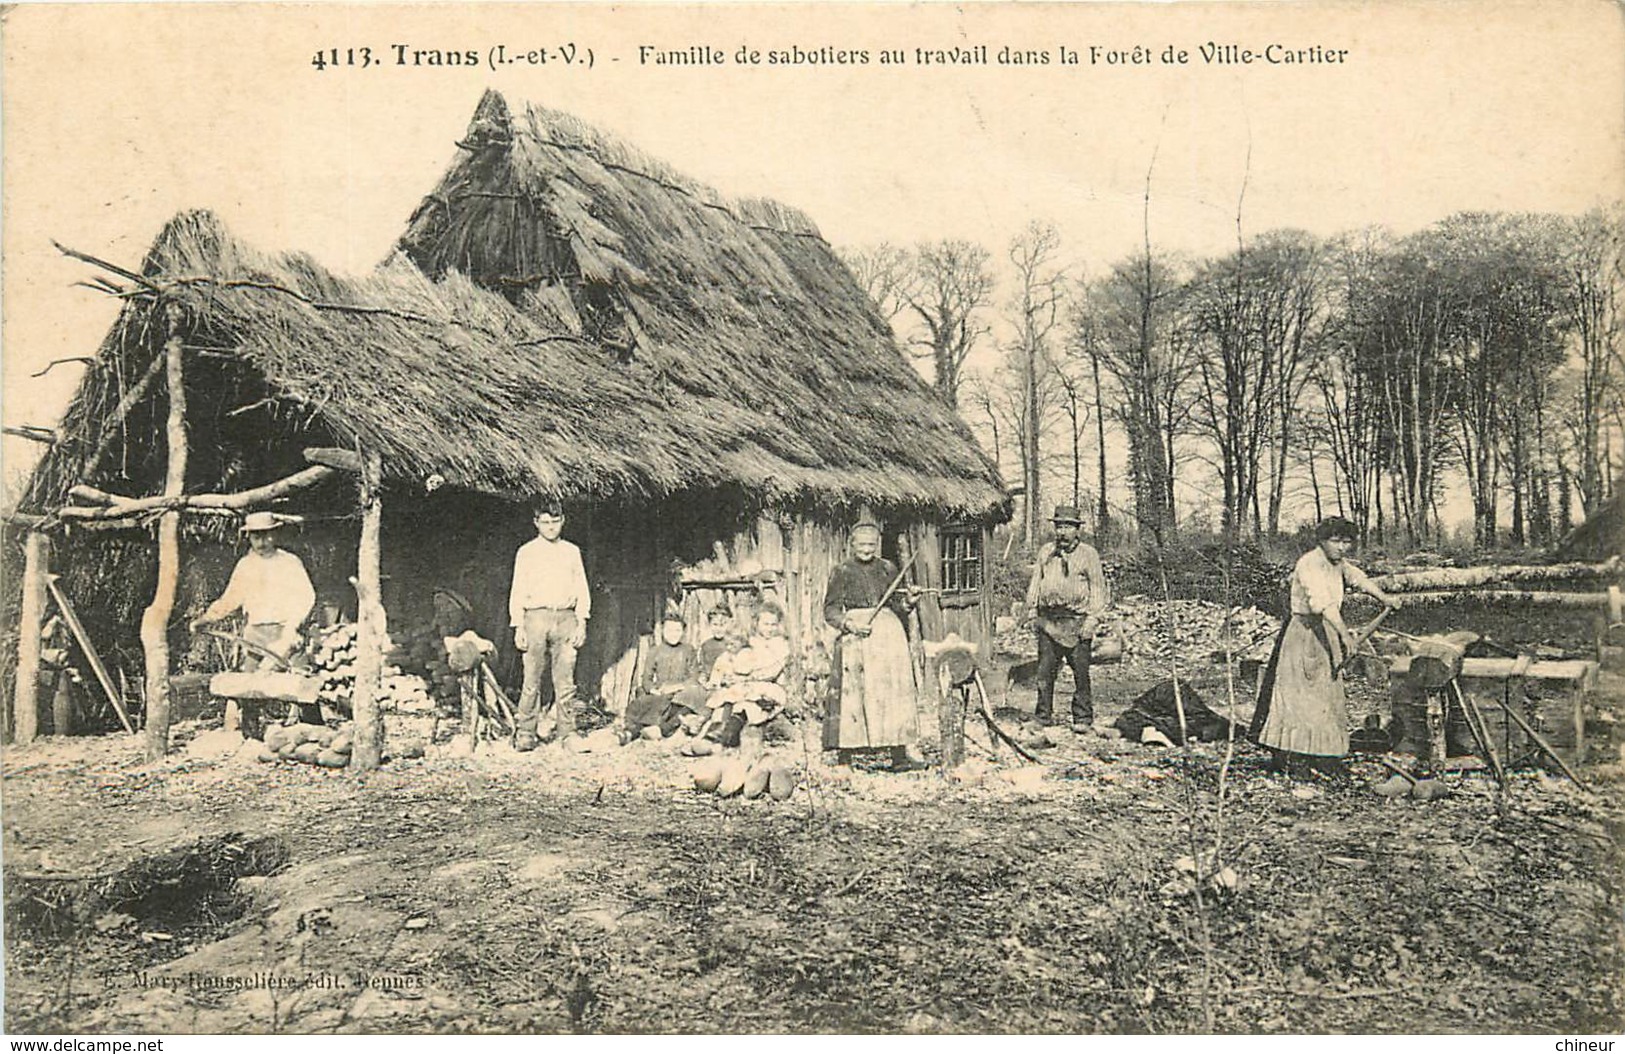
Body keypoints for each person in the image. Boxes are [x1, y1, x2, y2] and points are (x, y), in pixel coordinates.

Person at [1249, 516, 1400, 775]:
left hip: (1326, 633)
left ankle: (1325, 756)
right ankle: (1292, 759)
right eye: (1336, 541)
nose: (1341, 547)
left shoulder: (1338, 564)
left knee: (1328, 698)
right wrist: (1346, 636)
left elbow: (1358, 579)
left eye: (1347, 542)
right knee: (1298, 698)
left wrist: (1384, 597)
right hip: (1304, 634)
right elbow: (1324, 603)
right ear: (1322, 541)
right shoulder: (1310, 564)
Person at [822, 517, 924, 771]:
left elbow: (898, 606)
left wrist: (909, 601)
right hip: (857, 634)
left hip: (888, 635)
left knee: (892, 691)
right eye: (861, 545)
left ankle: (898, 753)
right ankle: (845, 755)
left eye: (871, 544)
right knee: (853, 692)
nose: (867, 549)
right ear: (852, 544)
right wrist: (849, 624)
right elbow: (830, 610)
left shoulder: (888, 569)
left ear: (878, 544)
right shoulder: (842, 571)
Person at [508, 499, 591, 751]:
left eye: (555, 522)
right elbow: (518, 589)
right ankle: (526, 732)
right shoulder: (527, 552)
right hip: (535, 617)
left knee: (565, 679)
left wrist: (582, 621)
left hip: (565, 617)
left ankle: (568, 733)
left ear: (563, 521)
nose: (551, 527)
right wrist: (518, 625)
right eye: (545, 522)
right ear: (536, 523)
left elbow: (581, 588)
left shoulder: (571, 551)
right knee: (531, 676)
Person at [190, 511, 316, 670]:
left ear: (275, 534)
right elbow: (230, 599)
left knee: (295, 682)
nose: (262, 542)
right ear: (248, 537)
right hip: (255, 636)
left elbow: (306, 597)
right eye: (256, 537)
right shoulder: (245, 565)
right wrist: (205, 619)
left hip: (285, 632)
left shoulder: (290, 562)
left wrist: (292, 629)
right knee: (250, 683)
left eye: (266, 536)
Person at [1023, 505, 1110, 733]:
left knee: (1080, 672)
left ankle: (1082, 718)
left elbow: (1098, 589)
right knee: (1044, 672)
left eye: (1068, 527)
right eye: (1059, 526)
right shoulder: (1046, 552)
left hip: (1077, 620)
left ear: (1077, 530)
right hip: (1048, 620)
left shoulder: (1088, 554)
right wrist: (1032, 610)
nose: (1062, 532)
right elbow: (1036, 582)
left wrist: (1093, 619)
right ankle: (1042, 717)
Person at [700, 603, 792, 747]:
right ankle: (714, 731)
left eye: (773, 625)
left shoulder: (781, 645)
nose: (769, 628)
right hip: (747, 684)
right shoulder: (751, 642)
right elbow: (736, 659)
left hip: (770, 686)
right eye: (765, 624)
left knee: (747, 704)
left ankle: (729, 734)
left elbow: (771, 672)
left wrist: (744, 677)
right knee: (727, 697)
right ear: (757, 623)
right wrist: (730, 674)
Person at [624, 603, 707, 739]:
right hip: (661, 689)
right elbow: (646, 678)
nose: (673, 634)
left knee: (690, 699)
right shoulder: (655, 651)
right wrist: (653, 690)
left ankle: (662, 729)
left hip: (681, 691)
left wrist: (677, 687)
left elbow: (694, 676)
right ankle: (631, 732)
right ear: (662, 631)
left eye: (677, 631)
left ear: (683, 632)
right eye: (669, 630)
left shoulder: (688, 650)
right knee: (645, 701)